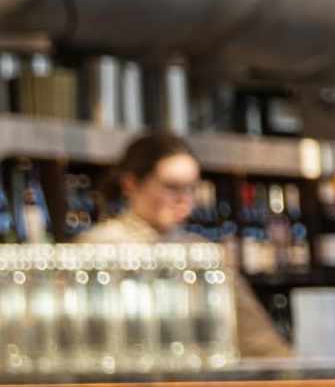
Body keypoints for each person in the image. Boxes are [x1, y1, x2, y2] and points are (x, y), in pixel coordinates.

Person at [88, 133, 288, 360]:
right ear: (131, 184)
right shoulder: (97, 247)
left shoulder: (203, 253)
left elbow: (257, 339)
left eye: (191, 188)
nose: (184, 199)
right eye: (172, 187)